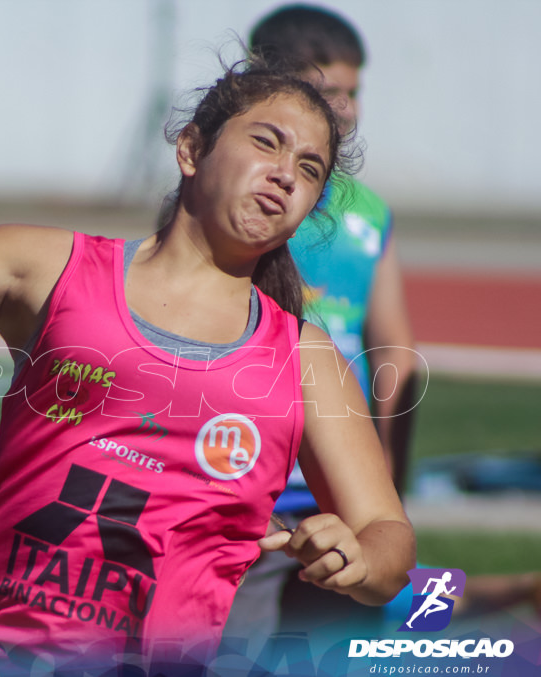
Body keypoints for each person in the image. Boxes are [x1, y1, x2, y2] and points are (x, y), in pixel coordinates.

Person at [0, 56, 415, 672]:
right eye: (266, 143)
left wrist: (360, 559)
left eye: (309, 169)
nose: (285, 174)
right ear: (191, 150)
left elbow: (387, 535)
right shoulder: (50, 270)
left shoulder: (304, 360)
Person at [221, 4, 420, 653]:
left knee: (342, 646)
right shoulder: (248, 195)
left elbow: (396, 352)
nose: (345, 108)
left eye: (352, 92)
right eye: (325, 90)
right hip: (250, 473)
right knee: (231, 647)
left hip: (339, 480)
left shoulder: (369, 214)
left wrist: (384, 475)